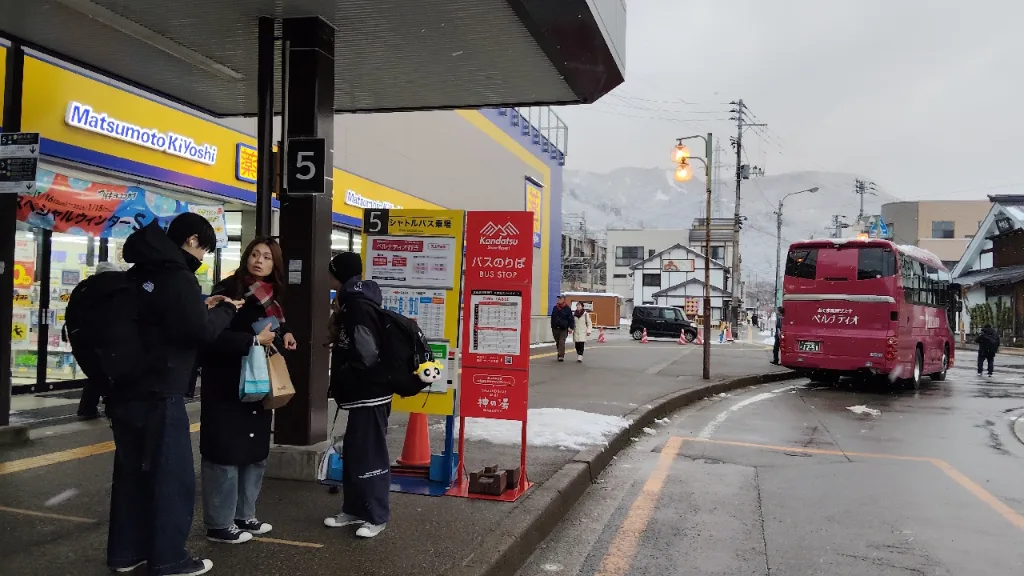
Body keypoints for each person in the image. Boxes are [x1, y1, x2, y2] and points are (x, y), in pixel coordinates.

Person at [106, 215, 240, 576]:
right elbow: (198, 332)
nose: (203, 256)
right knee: (171, 478)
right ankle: (169, 559)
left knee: (132, 476)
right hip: (160, 391)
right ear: (193, 239)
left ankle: (125, 553)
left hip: (125, 389)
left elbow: (164, 320)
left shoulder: (140, 271)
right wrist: (226, 310)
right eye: (204, 248)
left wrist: (203, 305)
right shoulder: (176, 274)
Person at [198, 237, 296, 544]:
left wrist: (285, 335)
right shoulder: (228, 290)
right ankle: (219, 524)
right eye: (254, 254)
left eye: (266, 256)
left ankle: (244, 515)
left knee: (254, 453)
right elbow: (210, 337)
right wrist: (252, 341)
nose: (259, 260)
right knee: (224, 454)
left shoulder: (273, 298)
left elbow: (271, 328)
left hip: (258, 384)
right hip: (228, 384)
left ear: (274, 264)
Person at [324, 252, 392, 539]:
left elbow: (367, 353)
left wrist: (347, 368)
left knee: (370, 455)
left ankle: (377, 515)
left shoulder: (357, 306)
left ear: (338, 274)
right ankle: (353, 509)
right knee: (354, 453)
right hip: (362, 394)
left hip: (371, 393)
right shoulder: (353, 301)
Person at [76, 261, 121, 420]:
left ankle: (88, 407)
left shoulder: (86, 290)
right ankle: (105, 406)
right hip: (105, 339)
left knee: (96, 373)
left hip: (87, 338)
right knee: (107, 372)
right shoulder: (109, 292)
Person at [550, 295, 575, 362]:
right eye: (558, 298)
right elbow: (553, 317)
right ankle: (559, 353)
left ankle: (561, 355)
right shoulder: (555, 308)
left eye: (560, 298)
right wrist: (552, 326)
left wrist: (571, 327)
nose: (558, 300)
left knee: (561, 342)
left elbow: (571, 319)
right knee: (558, 342)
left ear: (564, 299)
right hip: (555, 328)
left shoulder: (567, 308)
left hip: (564, 328)